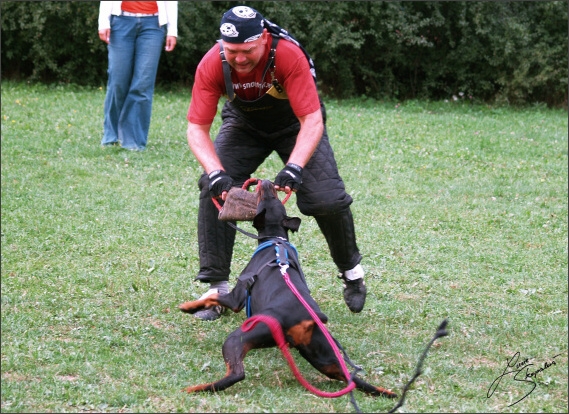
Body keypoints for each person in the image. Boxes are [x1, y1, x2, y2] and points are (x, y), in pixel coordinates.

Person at [186, 6, 366, 321]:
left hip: (296, 125)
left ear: (264, 39)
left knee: (326, 198)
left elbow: (311, 119)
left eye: (247, 50)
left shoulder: (287, 56)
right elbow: (196, 128)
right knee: (212, 190)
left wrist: (294, 167)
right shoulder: (213, 63)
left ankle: (352, 272)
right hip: (245, 125)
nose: (239, 58)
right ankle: (217, 290)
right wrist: (216, 175)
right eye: (232, 51)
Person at [98, 1, 178, 151]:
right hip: (120, 22)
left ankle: (134, 142)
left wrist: (172, 30)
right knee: (118, 82)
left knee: (143, 84)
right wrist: (103, 21)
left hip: (153, 25)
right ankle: (111, 135)